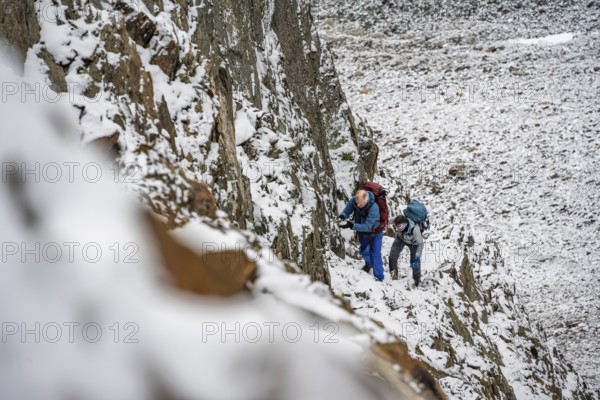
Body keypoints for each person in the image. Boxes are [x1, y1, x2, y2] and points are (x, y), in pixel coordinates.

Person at [339, 190, 384, 281]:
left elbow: (368, 227)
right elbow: (348, 209)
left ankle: (379, 278)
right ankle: (368, 264)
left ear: (366, 200)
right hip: (362, 233)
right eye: (357, 203)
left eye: (360, 204)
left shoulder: (374, 208)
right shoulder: (356, 200)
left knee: (375, 255)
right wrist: (343, 216)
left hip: (375, 233)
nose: (358, 205)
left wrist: (351, 225)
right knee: (364, 250)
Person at [389, 215, 423, 286]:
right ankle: (393, 275)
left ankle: (417, 280)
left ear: (405, 224)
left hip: (414, 243)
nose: (398, 228)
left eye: (400, 226)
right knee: (393, 255)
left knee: (414, 261)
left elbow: (420, 244)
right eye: (397, 226)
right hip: (401, 238)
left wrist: (417, 256)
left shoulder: (415, 229)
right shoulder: (396, 220)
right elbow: (385, 219)